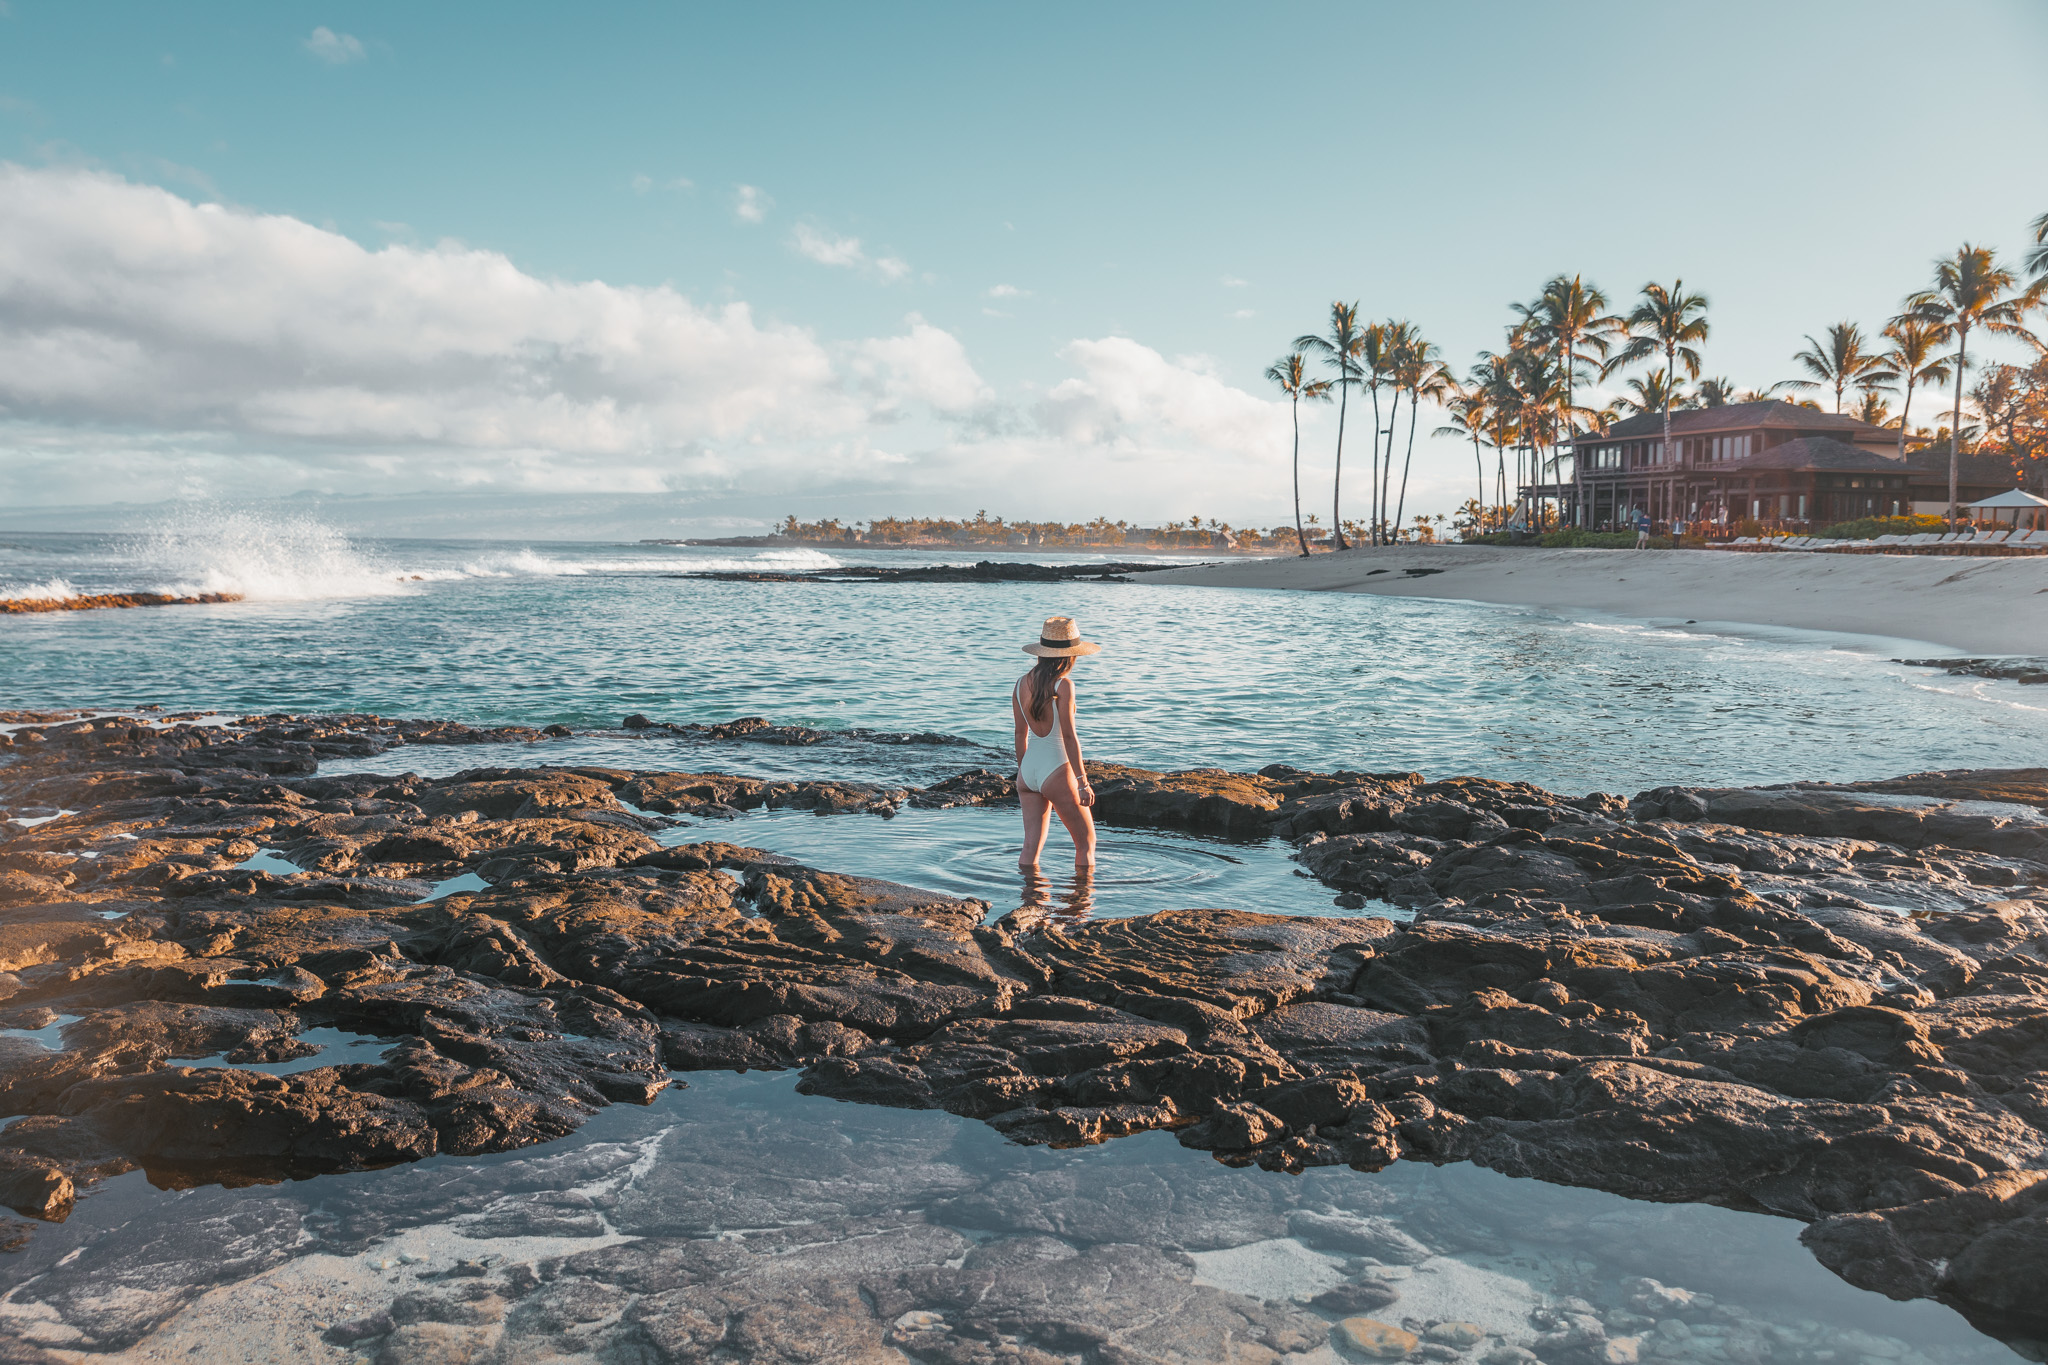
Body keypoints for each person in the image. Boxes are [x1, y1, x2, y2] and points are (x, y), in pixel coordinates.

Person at [1013, 615, 1098, 871]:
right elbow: (1070, 737)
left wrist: (1024, 772)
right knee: (1086, 844)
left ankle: (1030, 901)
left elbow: (1020, 734)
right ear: (1069, 655)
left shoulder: (1019, 684)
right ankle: (1081, 907)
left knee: (1030, 846)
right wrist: (1082, 782)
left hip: (1027, 773)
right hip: (1057, 770)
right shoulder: (1063, 685)